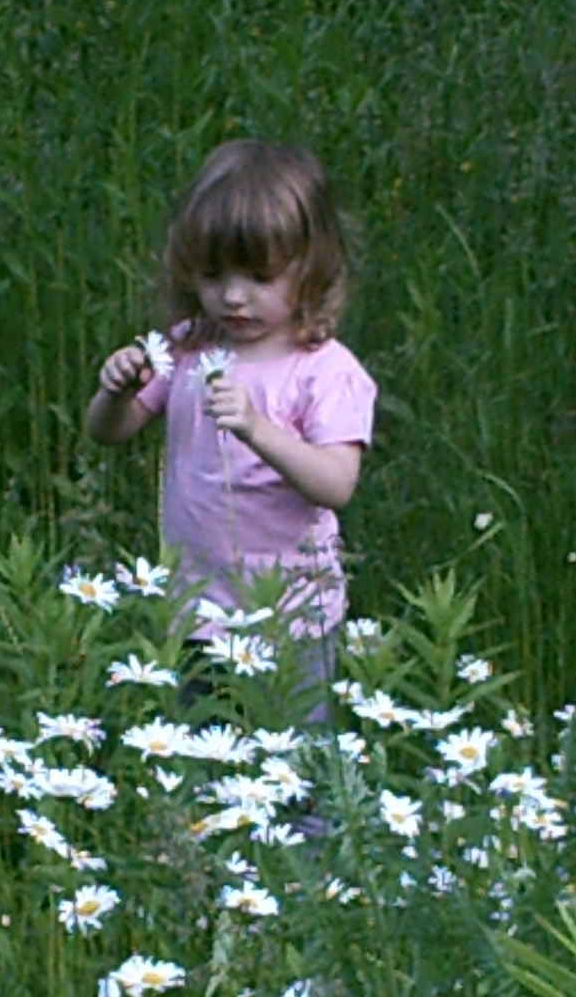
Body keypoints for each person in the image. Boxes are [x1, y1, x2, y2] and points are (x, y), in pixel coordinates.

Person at [85, 140, 376, 720]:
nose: (233, 296)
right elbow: (109, 431)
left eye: (258, 276)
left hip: (292, 617)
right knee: (202, 763)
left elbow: (336, 482)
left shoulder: (323, 369)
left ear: (311, 267)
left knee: (295, 770)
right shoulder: (189, 346)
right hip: (195, 611)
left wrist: (257, 428)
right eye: (213, 275)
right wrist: (114, 390)